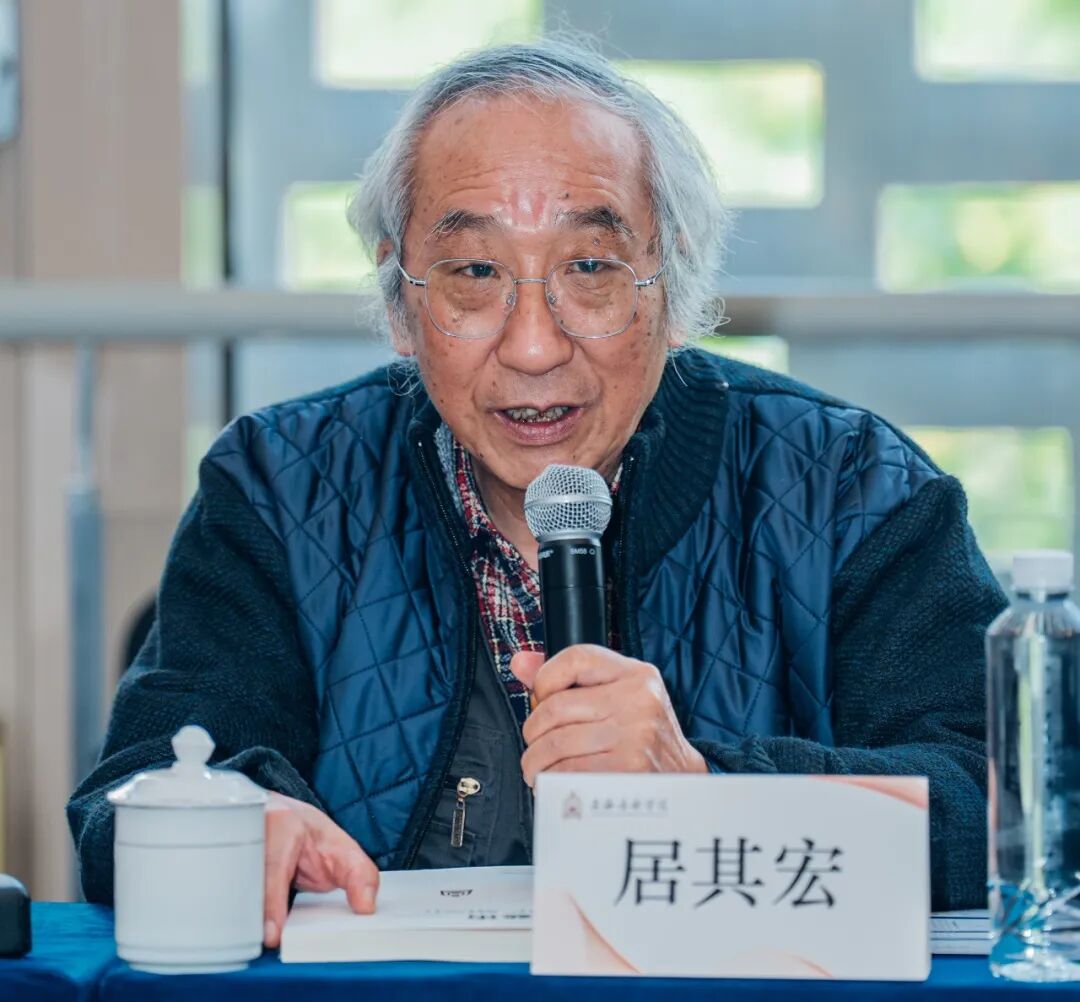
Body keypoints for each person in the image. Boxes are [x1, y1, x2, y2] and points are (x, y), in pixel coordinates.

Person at [68, 38, 1005, 947]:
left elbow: (1007, 807)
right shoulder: (280, 486)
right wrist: (229, 821)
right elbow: (130, 794)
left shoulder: (849, 486)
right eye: (475, 273)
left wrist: (709, 790)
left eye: (589, 269)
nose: (533, 346)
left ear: (672, 280)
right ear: (400, 299)